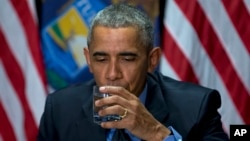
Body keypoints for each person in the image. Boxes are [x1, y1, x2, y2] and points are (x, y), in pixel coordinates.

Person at [37, 3, 229, 141]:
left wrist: (157, 134)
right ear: (88, 59)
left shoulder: (196, 106)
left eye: (127, 59)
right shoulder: (60, 108)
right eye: (101, 59)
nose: (112, 74)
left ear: (152, 60)